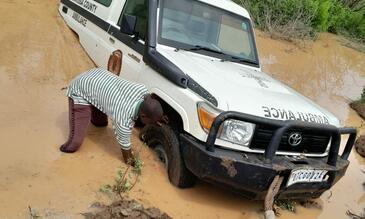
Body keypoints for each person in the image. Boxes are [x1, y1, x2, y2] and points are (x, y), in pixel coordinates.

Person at [59, 68, 164, 165]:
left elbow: (151, 102)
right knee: (74, 144)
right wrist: (136, 166)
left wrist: (159, 117)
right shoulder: (123, 120)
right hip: (80, 87)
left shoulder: (143, 90)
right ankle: (65, 149)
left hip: (98, 76)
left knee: (101, 124)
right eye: (151, 122)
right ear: (143, 115)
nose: (152, 124)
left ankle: (93, 110)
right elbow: (127, 158)